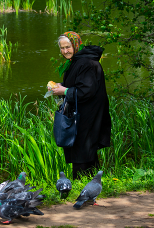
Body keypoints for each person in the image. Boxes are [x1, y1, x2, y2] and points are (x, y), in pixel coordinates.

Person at [51, 31, 111, 180]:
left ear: (76, 45)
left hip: (88, 114)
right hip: (82, 113)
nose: (65, 51)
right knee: (85, 149)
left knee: (82, 149)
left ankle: (81, 185)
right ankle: (93, 183)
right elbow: (78, 84)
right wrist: (62, 86)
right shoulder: (78, 60)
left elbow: (86, 91)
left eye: (68, 47)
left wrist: (64, 91)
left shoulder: (86, 63)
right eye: (62, 48)